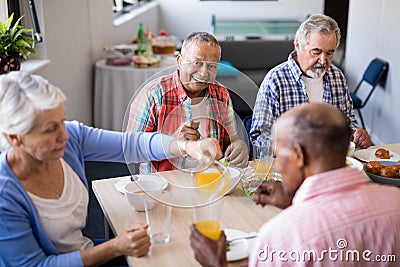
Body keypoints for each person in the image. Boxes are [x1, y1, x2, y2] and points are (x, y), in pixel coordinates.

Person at [0, 72, 222, 267]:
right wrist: (114, 248)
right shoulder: (5, 194)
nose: (64, 134)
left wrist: (187, 146)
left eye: (62, 120)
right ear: (14, 137)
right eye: (50, 129)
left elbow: (132, 144)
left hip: (84, 252)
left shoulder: (71, 138)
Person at [190, 103, 400, 266]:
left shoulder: (282, 237)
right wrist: (297, 203)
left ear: (298, 155)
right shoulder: (395, 201)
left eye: (278, 153)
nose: (278, 165)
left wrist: (216, 264)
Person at [126, 31, 248, 174]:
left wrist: (240, 146)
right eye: (197, 63)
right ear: (179, 62)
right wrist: (173, 143)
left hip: (210, 182)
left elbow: (232, 139)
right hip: (163, 186)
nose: (203, 73)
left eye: (211, 66)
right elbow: (130, 150)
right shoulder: (152, 95)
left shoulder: (221, 94)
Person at [250, 14, 371, 148]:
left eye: (330, 53)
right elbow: (259, 137)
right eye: (316, 52)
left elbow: (348, 122)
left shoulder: (337, 76)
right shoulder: (275, 80)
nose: (323, 60)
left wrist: (356, 134)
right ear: (298, 45)